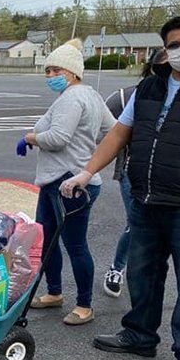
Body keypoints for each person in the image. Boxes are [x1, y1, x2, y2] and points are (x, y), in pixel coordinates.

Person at [61, 15, 180, 360]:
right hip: (147, 201)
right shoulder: (150, 89)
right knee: (143, 274)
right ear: (165, 52)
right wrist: (87, 172)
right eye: (174, 45)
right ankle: (140, 335)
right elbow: (119, 133)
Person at [17, 39, 115, 325]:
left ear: (72, 72)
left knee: (75, 244)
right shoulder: (91, 96)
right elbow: (109, 131)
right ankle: (54, 293)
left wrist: (30, 138)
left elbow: (58, 138)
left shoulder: (72, 98)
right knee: (47, 240)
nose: (50, 76)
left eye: (55, 70)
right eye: (47, 71)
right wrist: (85, 147)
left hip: (69, 184)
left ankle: (84, 304)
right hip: (56, 181)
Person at [101, 51, 162, 297]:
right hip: (133, 171)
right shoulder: (125, 97)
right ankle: (118, 267)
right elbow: (105, 130)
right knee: (136, 222)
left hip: (170, 176)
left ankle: (151, 273)